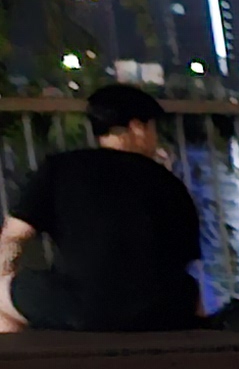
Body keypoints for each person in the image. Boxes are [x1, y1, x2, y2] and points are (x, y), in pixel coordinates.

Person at [0, 83, 203, 334]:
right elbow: (185, 259)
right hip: (160, 310)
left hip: (83, 308)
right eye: (154, 129)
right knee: (189, 290)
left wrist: (8, 274)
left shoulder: (59, 168)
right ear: (137, 128)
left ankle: (24, 357)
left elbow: (14, 237)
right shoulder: (168, 182)